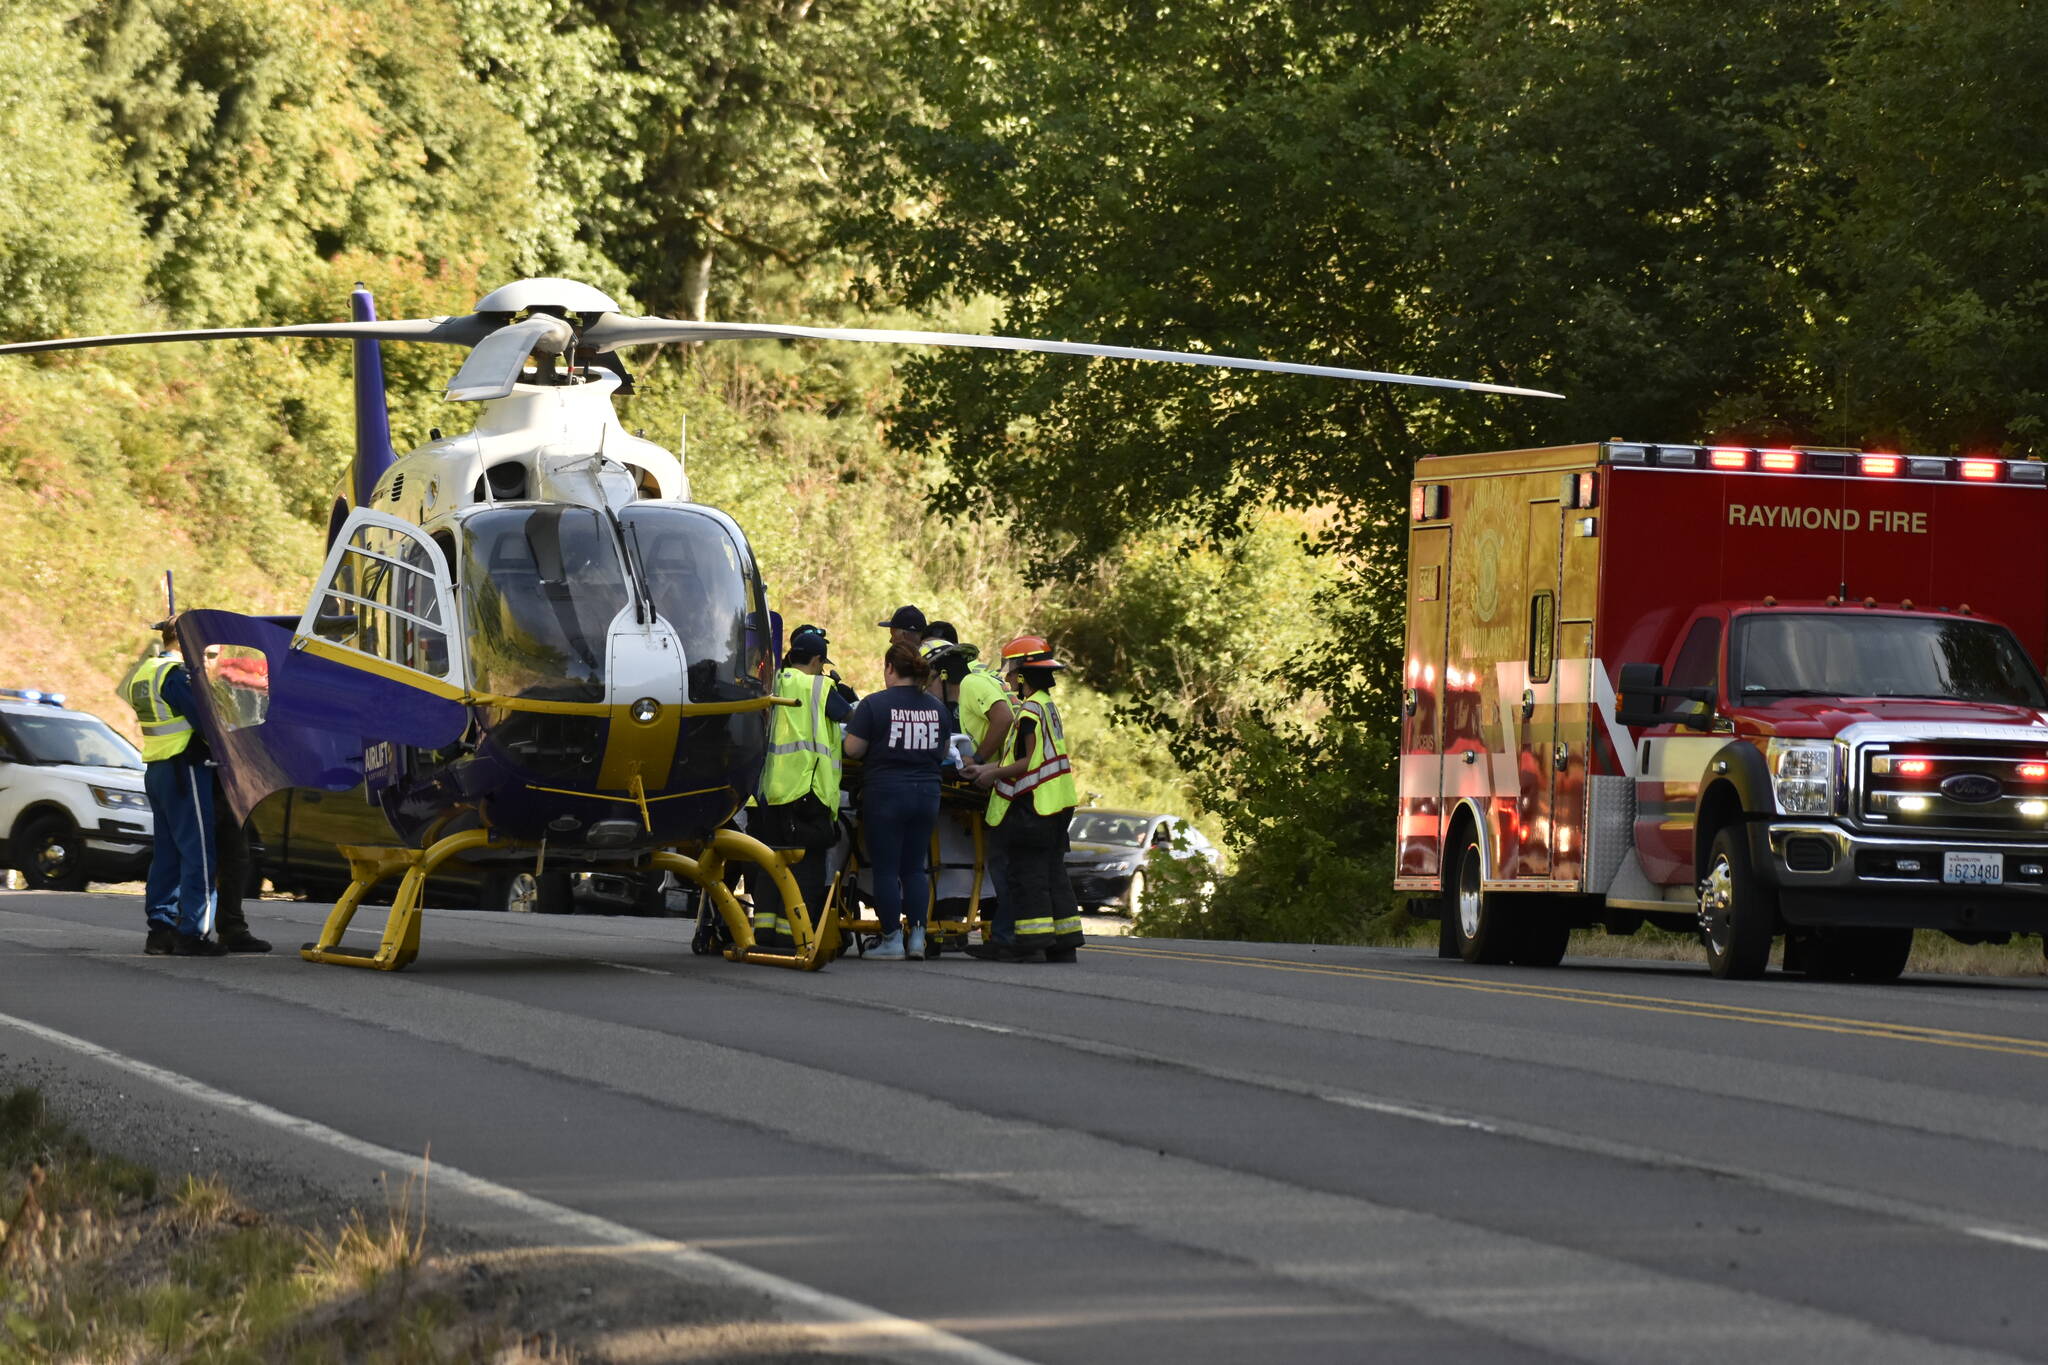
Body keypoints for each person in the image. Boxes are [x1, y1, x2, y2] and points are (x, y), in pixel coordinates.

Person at [961, 635, 1085, 963]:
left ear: (1023, 674)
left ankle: (1029, 943)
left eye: (1012, 671)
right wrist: (990, 768)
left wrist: (990, 775)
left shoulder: (1029, 710)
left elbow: (1028, 762)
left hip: (1035, 804)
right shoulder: (1046, 704)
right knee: (1052, 873)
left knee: (1027, 873)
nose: (1008, 677)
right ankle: (1064, 943)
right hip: (1058, 801)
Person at [121, 622, 231, 956]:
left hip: (158, 768)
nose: (209, 656)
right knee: (198, 852)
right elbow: (207, 721)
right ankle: (192, 933)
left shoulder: (145, 672)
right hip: (186, 769)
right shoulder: (175, 674)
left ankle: (161, 929)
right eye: (206, 649)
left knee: (167, 855)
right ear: (189, 641)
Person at [748, 625, 856, 948]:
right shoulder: (820, 687)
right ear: (818, 660)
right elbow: (846, 712)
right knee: (806, 868)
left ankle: (765, 931)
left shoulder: (770, 681)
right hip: (808, 794)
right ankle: (793, 936)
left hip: (768, 794)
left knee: (770, 864)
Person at [842, 643, 946, 960]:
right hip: (927, 794)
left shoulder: (874, 705)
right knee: (915, 868)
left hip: (886, 794)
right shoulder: (937, 707)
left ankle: (891, 939)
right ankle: (917, 938)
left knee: (886, 870)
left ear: (890, 668)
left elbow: (853, 750)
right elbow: (942, 754)